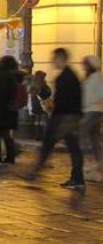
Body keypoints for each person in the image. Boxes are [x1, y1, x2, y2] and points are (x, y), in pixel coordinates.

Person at [29, 48, 86, 190]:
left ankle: (35, 171)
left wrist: (54, 114)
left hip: (64, 117)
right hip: (71, 115)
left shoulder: (64, 77)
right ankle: (77, 178)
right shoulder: (72, 75)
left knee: (51, 142)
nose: (53, 61)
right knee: (73, 147)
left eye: (54, 58)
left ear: (61, 58)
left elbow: (63, 100)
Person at [81, 55, 102, 181]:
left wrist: (91, 102)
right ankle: (98, 163)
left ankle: (89, 162)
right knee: (93, 138)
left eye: (85, 64)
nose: (83, 66)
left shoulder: (98, 77)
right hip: (89, 109)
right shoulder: (89, 78)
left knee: (81, 133)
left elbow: (101, 93)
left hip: (94, 110)